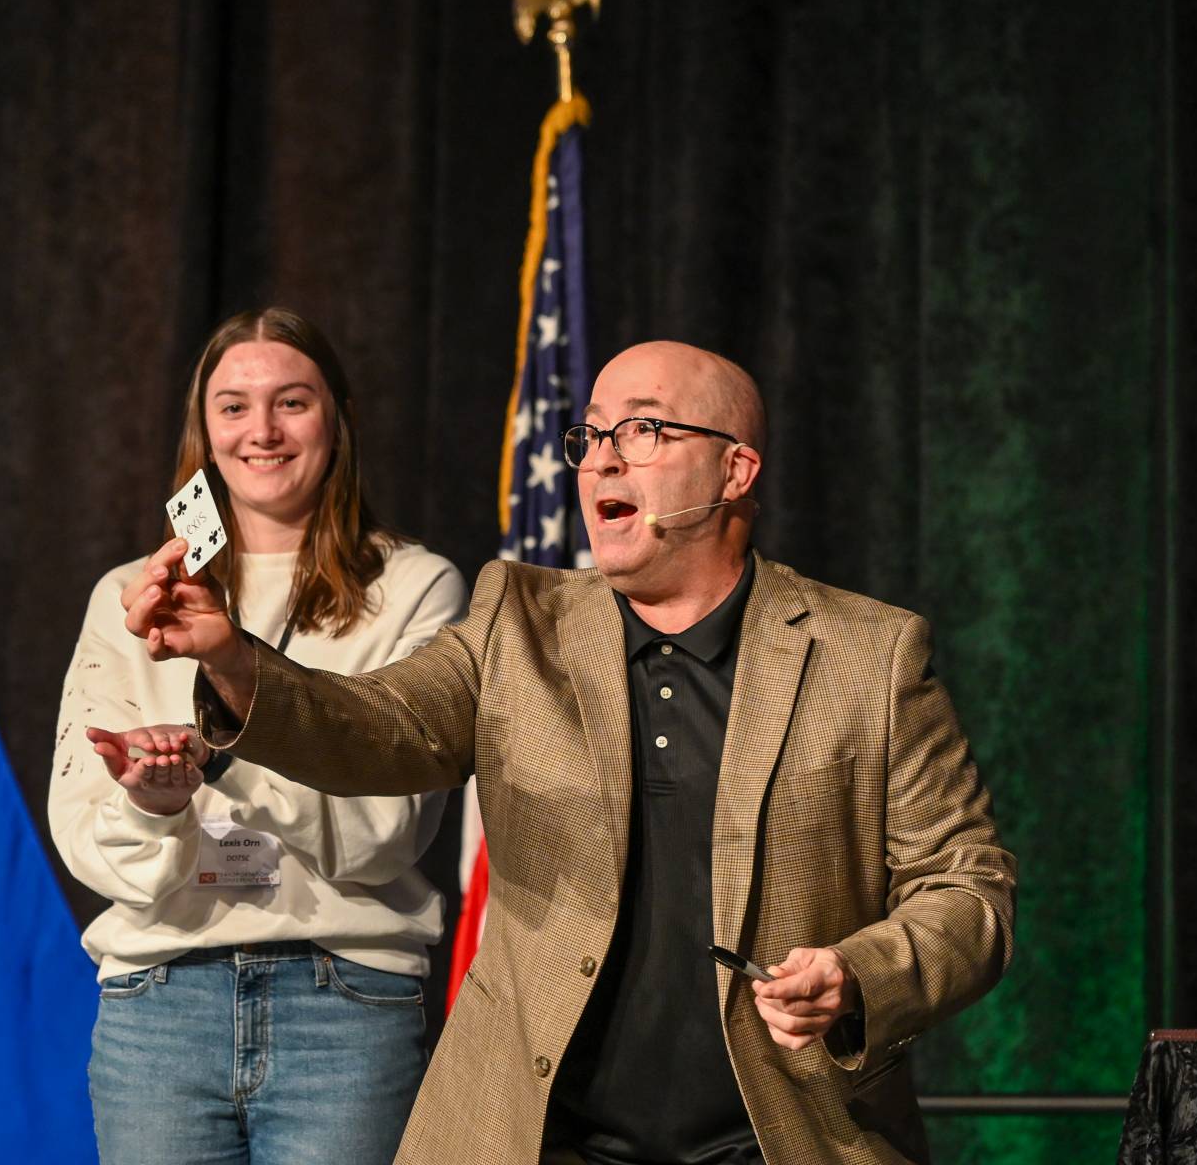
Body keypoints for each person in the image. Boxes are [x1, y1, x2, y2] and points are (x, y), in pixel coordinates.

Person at [122, 341, 1017, 1165]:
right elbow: (377, 727)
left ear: (736, 470)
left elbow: (968, 888)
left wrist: (859, 974)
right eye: (590, 436)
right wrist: (232, 659)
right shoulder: (518, 623)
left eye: (644, 429)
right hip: (545, 1139)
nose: (602, 460)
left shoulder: (868, 654)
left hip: (779, 1137)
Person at [49, 306, 467, 1165]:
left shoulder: (417, 588)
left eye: (293, 402)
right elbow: (87, 837)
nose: (263, 431)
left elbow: (383, 834)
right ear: (203, 431)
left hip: (344, 1004)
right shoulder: (127, 596)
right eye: (234, 406)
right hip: (159, 1005)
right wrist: (156, 806)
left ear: (336, 419)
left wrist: (225, 721)